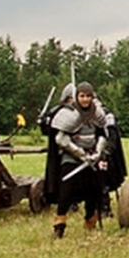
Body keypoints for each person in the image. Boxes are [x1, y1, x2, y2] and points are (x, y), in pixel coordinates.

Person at [44, 82, 109, 239]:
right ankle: (59, 226)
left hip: (92, 156)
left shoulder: (97, 112)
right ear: (77, 96)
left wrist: (97, 152)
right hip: (72, 157)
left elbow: (103, 134)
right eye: (82, 96)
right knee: (66, 192)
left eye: (88, 96)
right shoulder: (68, 113)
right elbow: (61, 139)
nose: (85, 99)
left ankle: (90, 221)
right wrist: (80, 154)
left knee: (93, 191)